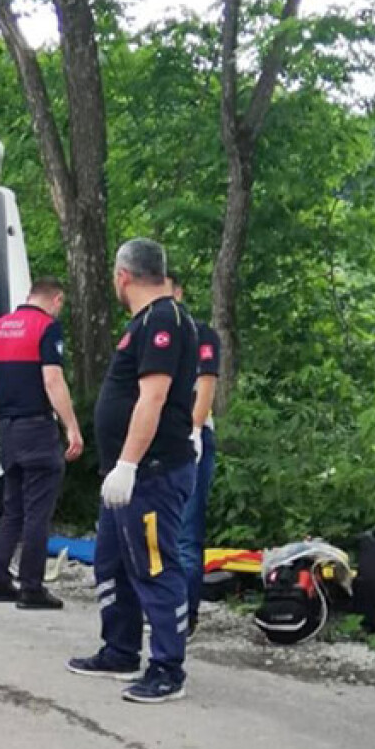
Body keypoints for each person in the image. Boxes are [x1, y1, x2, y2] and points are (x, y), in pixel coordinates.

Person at [67, 238, 197, 704]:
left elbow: (154, 397)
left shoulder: (164, 319)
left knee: (154, 565)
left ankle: (167, 667)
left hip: (151, 471)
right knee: (113, 563)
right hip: (125, 474)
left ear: (123, 276)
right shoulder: (144, 322)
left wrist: (127, 463)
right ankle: (120, 649)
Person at [0, 276, 84, 610]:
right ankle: (32, 588)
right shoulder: (46, 328)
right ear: (56, 299)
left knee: (13, 508)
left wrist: (8, 385)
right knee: (38, 511)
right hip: (36, 426)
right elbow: (52, 379)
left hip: (7, 429)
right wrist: (72, 427)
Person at [167, 272, 220, 639]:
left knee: (186, 533)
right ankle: (161, 609)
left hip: (190, 438)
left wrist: (196, 430)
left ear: (179, 291)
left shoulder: (200, 332)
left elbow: (206, 385)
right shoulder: (147, 331)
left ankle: (185, 616)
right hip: (155, 441)